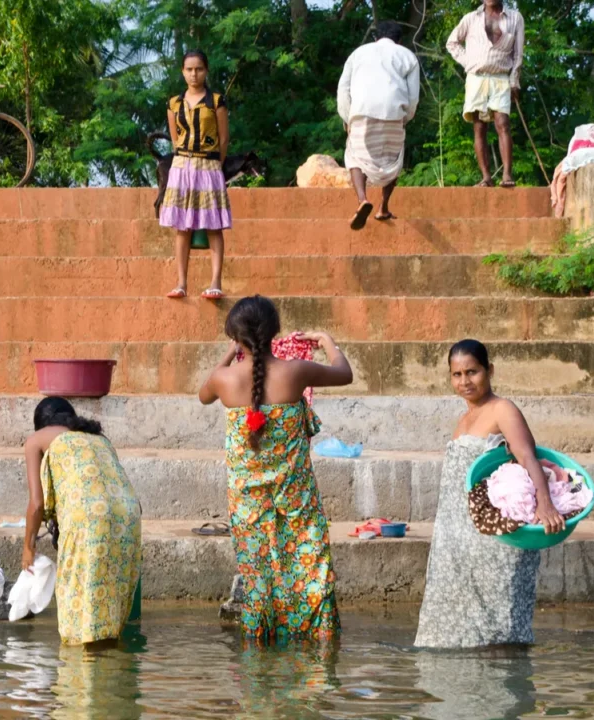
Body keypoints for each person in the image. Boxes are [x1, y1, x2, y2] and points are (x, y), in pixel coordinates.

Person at [198, 296, 354, 641]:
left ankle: (260, 660)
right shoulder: (296, 371)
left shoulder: (222, 379)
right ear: (275, 333)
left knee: (259, 577)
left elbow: (203, 395)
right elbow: (345, 374)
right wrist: (327, 342)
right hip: (296, 499)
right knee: (310, 568)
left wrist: (229, 352)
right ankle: (320, 652)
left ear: (235, 337)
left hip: (248, 506)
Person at [414, 339, 564, 649]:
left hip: (496, 538)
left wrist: (545, 504)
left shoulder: (503, 410)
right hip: (460, 536)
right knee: (457, 629)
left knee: (500, 627)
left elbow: (527, 456)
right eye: (457, 374)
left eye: (472, 372)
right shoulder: (464, 419)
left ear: (489, 370)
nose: (465, 381)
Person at [21, 397, 142, 646]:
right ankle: (109, 664)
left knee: (78, 599)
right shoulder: (99, 438)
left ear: (40, 424)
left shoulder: (36, 439)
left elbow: (36, 504)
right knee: (109, 599)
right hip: (130, 514)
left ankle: (80, 675)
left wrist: (28, 547)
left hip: (88, 515)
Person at [337, 20, 420, 230]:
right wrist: (405, 119)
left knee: (354, 156)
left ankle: (362, 199)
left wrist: (347, 118)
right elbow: (413, 96)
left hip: (362, 110)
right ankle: (383, 207)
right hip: (394, 112)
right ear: (399, 40)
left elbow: (343, 88)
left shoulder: (358, 53)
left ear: (376, 38)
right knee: (393, 159)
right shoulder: (407, 56)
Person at [160, 50, 230, 301]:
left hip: (209, 167)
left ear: (206, 70)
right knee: (182, 226)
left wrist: (215, 167)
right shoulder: (173, 104)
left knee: (213, 225)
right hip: (181, 166)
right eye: (189, 69)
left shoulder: (216, 101)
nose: (194, 74)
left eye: (199, 69)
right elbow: (174, 138)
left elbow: (223, 139)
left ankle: (215, 282)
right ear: (182, 71)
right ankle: (181, 283)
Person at [446, 0, 526, 188]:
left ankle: (506, 175)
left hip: (500, 78)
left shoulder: (515, 18)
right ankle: (486, 177)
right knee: (479, 127)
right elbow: (452, 42)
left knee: (503, 123)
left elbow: (518, 54)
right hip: (476, 77)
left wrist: (515, 81)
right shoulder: (470, 18)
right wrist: (469, 62)